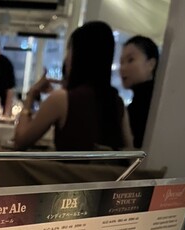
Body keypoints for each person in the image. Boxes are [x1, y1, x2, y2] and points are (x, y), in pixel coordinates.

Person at [14, 21, 133, 152]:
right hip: (109, 167)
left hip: (65, 167)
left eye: (69, 50)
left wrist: (31, 95)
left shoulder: (61, 99)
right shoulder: (118, 103)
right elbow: (128, 151)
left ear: (79, 55)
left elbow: (20, 141)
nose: (66, 59)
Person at [120, 35, 159, 148]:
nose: (122, 68)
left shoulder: (151, 104)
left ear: (151, 64)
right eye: (121, 62)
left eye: (130, 60)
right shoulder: (139, 102)